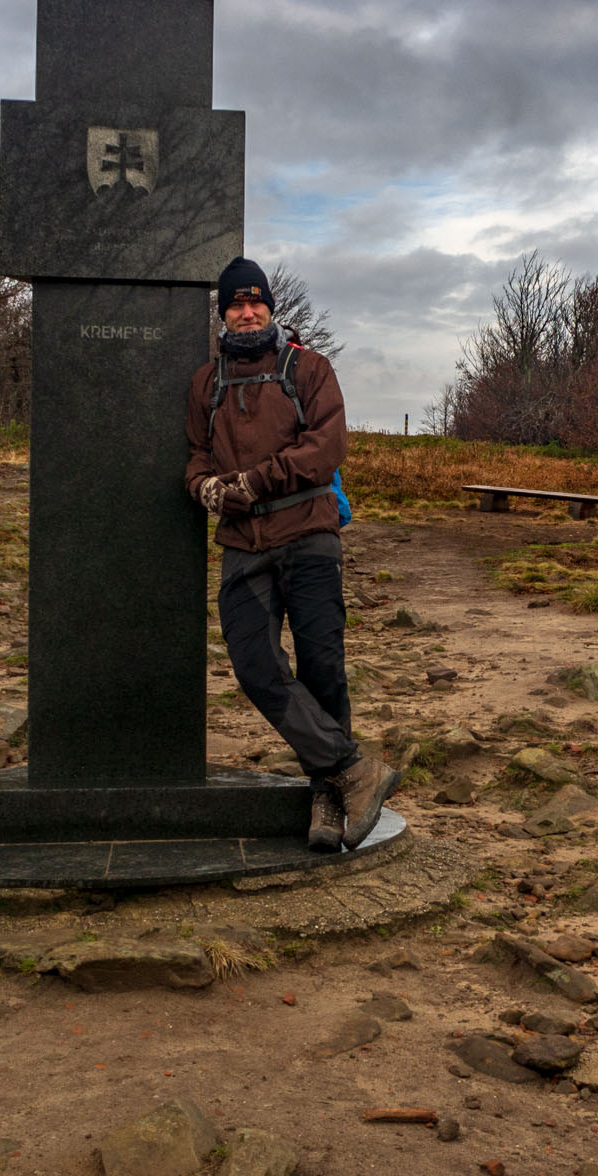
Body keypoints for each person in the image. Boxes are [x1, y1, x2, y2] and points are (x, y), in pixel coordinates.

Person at [185, 256, 397, 851]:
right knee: (255, 665)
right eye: (234, 303)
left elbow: (326, 448)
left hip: (308, 537)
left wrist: (256, 480)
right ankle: (354, 769)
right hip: (243, 546)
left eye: (255, 302)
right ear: (222, 311)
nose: (246, 312)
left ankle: (329, 802)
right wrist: (203, 486)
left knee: (322, 668)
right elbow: (196, 456)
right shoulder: (207, 383)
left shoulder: (309, 369)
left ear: (271, 308)